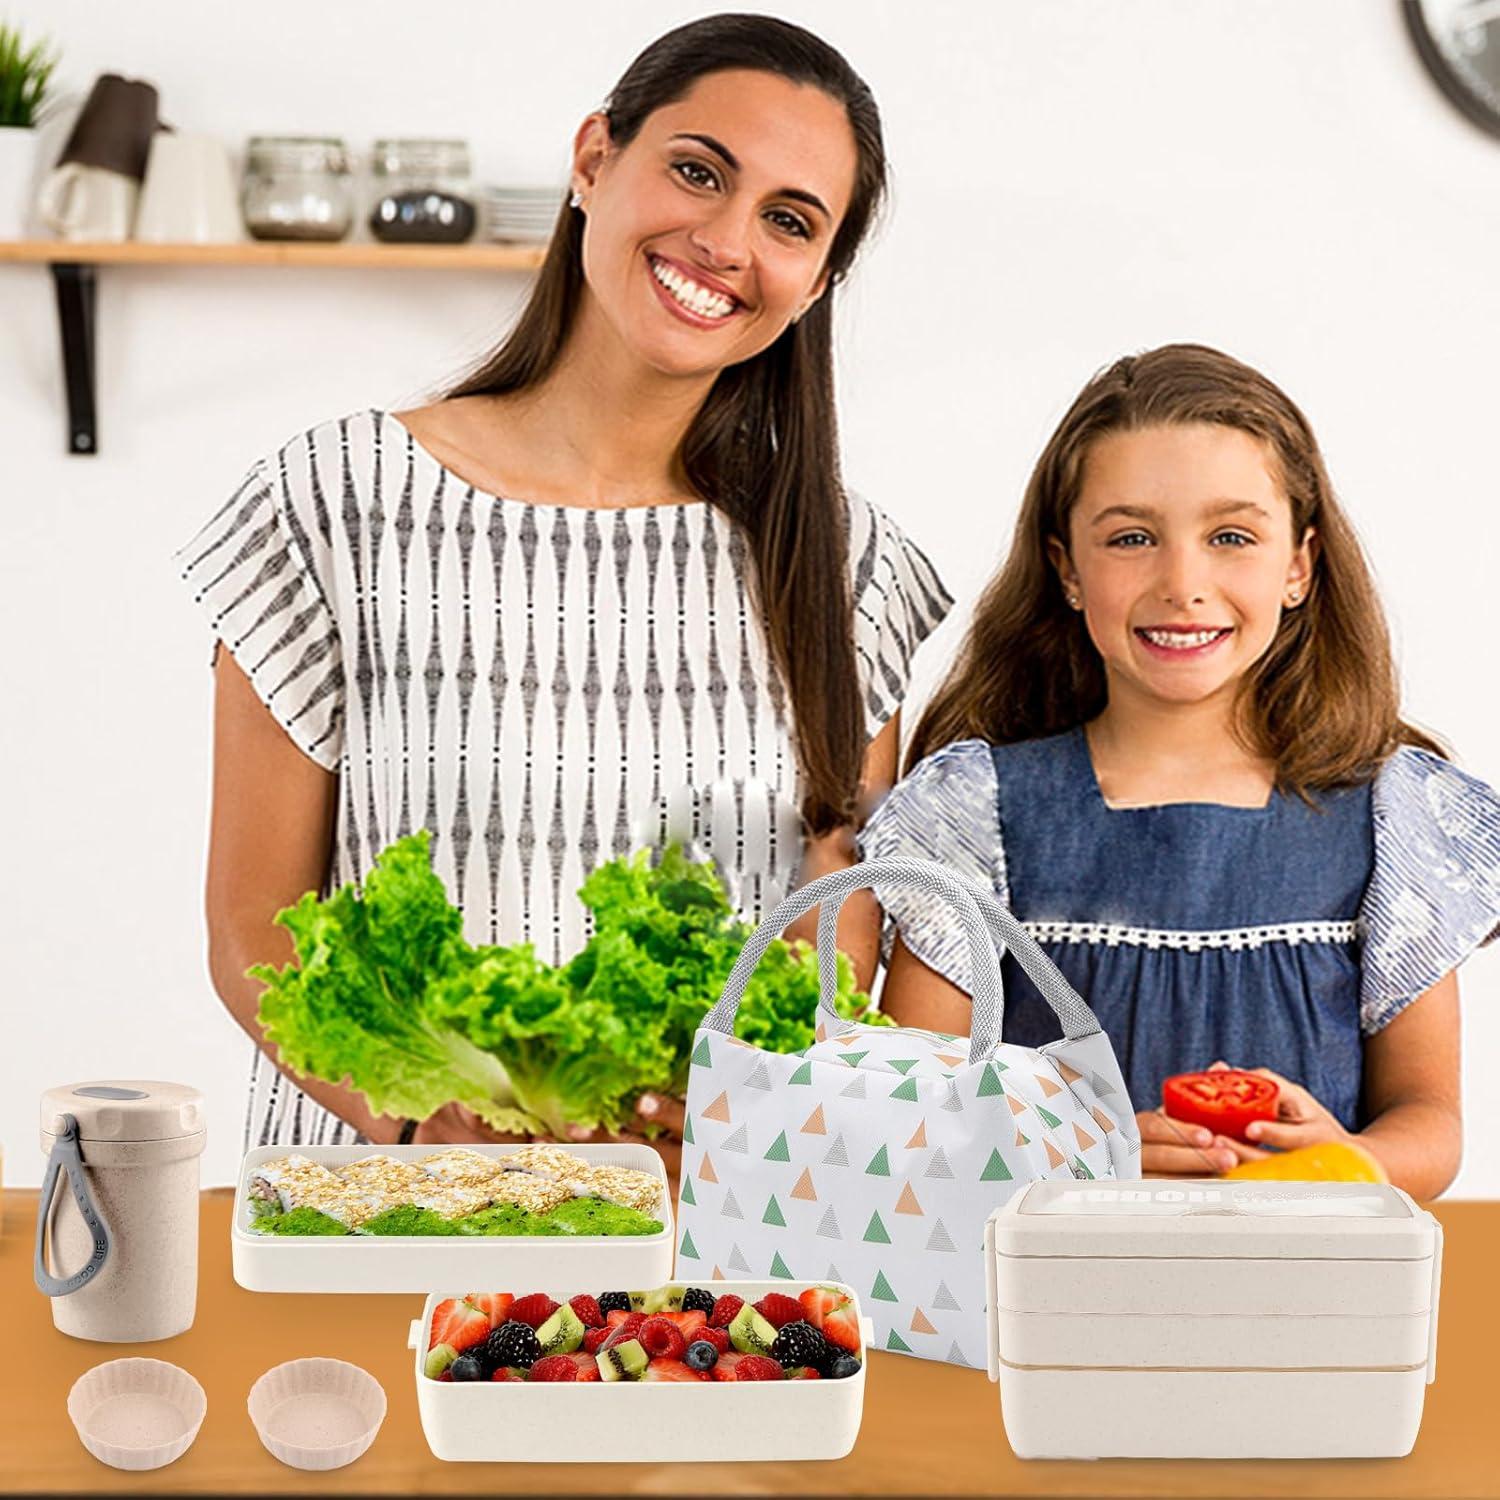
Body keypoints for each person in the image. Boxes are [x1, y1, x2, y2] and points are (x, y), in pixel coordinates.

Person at [175, 15, 951, 1163]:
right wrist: (412, 1111)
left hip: (698, 1238)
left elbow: (829, 940)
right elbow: (255, 926)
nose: (727, 241)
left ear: (818, 276)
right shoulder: (334, 499)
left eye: (789, 221)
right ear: (594, 160)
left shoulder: (843, 565)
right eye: (697, 171)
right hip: (392, 1213)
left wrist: (735, 1114)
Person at [859, 343, 1498, 1199]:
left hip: (1306, 1307)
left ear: (1300, 566)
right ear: (1068, 571)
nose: (1183, 582)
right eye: (1131, 538)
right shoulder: (972, 811)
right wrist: (1070, 1152)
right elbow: (913, 1115)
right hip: (1049, 1310)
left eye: (1231, 535)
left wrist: (1339, 1162)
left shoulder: (1390, 814)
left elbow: (1431, 1123)